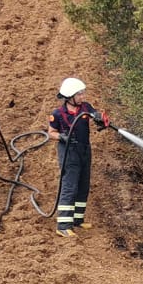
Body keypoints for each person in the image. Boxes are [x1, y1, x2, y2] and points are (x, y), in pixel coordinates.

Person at [47, 77, 114, 236]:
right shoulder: (57, 114)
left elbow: (95, 115)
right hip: (69, 153)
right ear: (70, 96)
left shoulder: (85, 107)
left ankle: (77, 219)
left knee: (83, 185)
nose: (82, 97)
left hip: (84, 150)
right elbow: (51, 133)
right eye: (79, 94)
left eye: (83, 93)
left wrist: (100, 119)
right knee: (70, 186)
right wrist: (61, 137)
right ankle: (63, 226)